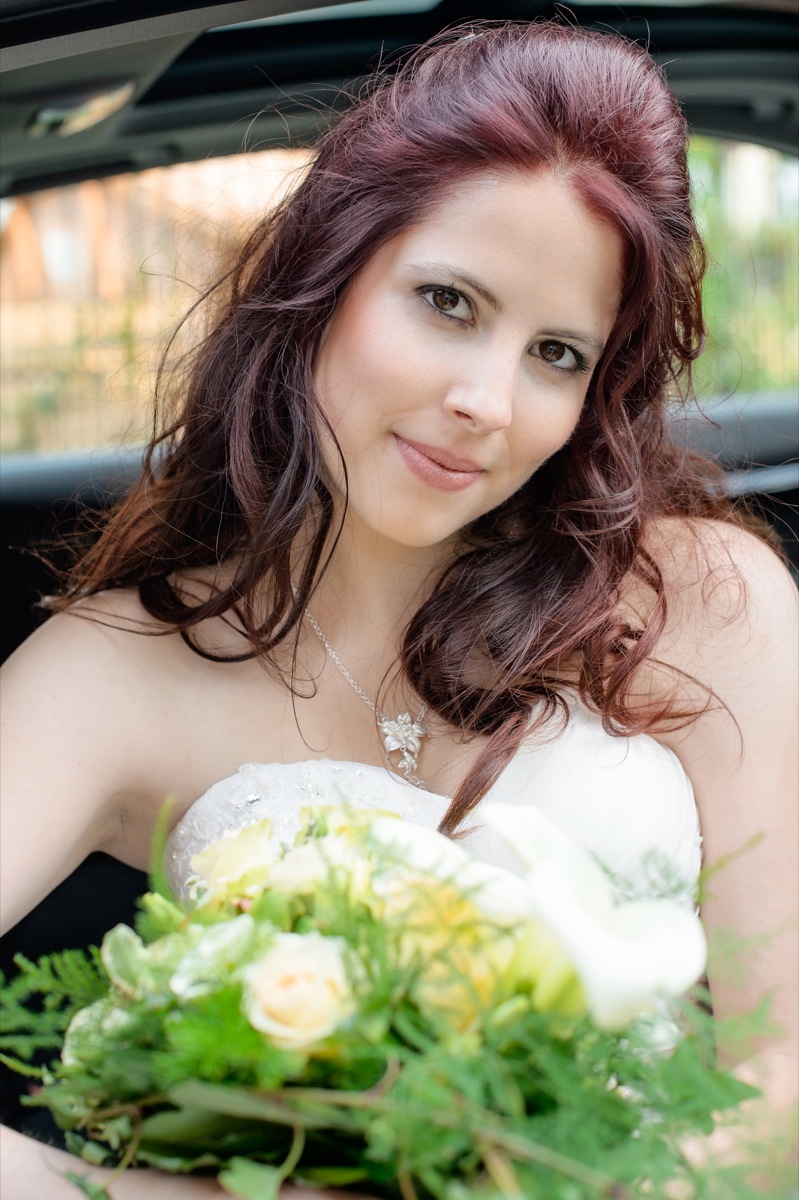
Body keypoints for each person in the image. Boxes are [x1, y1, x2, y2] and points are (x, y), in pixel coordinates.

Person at [1, 19, 796, 1199]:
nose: (487, 402)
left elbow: (784, 1075)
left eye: (557, 354)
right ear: (324, 279)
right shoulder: (117, 673)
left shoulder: (703, 605)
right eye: (448, 302)